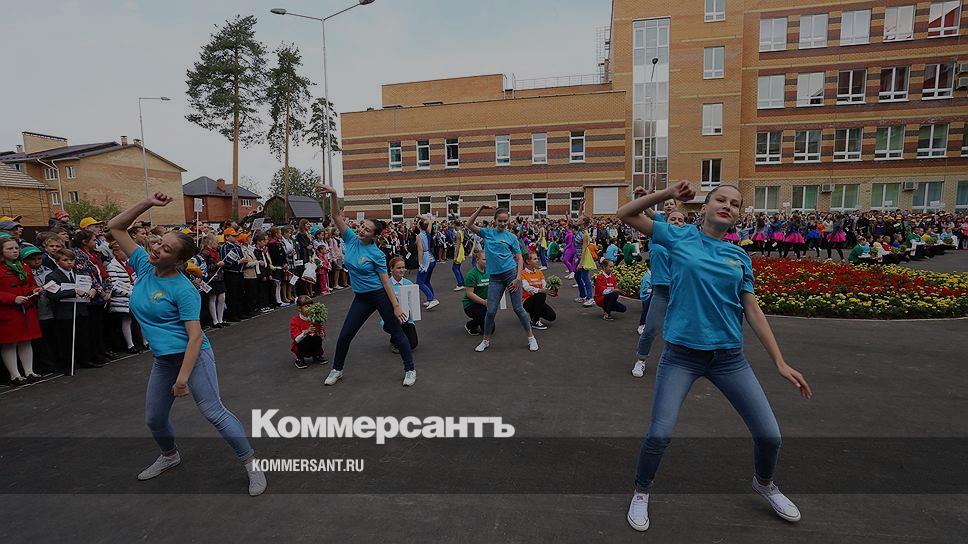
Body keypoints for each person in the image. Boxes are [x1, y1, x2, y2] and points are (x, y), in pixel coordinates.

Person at [617, 182, 812, 531]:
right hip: (681, 357)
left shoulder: (740, 257)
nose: (727, 206)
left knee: (770, 436)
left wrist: (780, 362)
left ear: (737, 215)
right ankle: (641, 491)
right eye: (720, 199)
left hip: (729, 359)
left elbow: (752, 310)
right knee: (659, 434)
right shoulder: (679, 237)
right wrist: (668, 194)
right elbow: (625, 214)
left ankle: (765, 484)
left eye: (734, 204)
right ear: (704, 207)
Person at [107, 192, 266, 496]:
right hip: (163, 359)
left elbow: (195, 337)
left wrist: (182, 380)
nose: (157, 249)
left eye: (166, 249)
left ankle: (251, 464)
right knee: (154, 418)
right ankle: (169, 455)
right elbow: (115, 227)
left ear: (178, 260)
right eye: (158, 243)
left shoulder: (183, 290)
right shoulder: (143, 265)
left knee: (213, 411)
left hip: (192, 356)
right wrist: (148, 203)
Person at [318, 185, 416, 387]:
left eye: (367, 230)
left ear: (374, 235)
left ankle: (410, 370)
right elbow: (335, 216)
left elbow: (385, 281)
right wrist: (334, 194)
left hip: (379, 296)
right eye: (362, 226)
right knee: (345, 334)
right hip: (361, 298)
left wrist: (396, 306)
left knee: (397, 332)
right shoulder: (351, 238)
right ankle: (337, 369)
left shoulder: (377, 254)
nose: (362, 230)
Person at [466, 205, 538, 353]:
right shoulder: (487, 233)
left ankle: (531, 338)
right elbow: (469, 224)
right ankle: (485, 340)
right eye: (500, 221)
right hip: (495, 277)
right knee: (491, 310)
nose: (503, 223)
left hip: (511, 274)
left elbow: (519, 258)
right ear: (495, 220)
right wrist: (481, 208)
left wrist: (518, 278)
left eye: (505, 221)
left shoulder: (511, 237)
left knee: (518, 308)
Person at [0, 238, 43, 385]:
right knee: (10, 343)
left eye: (16, 248)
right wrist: (13, 298)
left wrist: (35, 290)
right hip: (8, 311)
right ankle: (15, 375)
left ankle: (29, 371)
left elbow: (31, 284)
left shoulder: (23, 266)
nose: (14, 251)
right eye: (9, 248)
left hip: (26, 308)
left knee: (26, 341)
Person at [106, 241, 141, 354]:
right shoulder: (112, 266)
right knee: (126, 320)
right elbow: (114, 285)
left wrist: (138, 290)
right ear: (116, 252)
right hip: (122, 299)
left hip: (134, 294)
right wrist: (131, 293)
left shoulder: (129, 264)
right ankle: (130, 345)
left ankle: (144, 342)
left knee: (139, 319)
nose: (127, 253)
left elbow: (136, 278)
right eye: (124, 251)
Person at [386, 256, 419, 354]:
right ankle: (394, 340)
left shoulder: (409, 283)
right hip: (391, 318)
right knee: (400, 343)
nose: (402, 270)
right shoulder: (386, 284)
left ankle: (399, 336)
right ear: (391, 269)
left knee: (413, 344)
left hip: (406, 318)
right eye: (399, 268)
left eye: (403, 267)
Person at [521, 251, 557, 330]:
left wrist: (551, 290)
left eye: (537, 258)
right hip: (527, 302)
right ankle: (535, 321)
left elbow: (544, 285)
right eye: (535, 259)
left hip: (538, 300)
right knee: (541, 295)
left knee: (552, 316)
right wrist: (541, 290)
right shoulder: (522, 274)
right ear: (528, 261)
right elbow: (526, 287)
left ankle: (534, 314)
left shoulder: (539, 272)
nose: (537, 260)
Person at [290, 295, 327, 369]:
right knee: (303, 340)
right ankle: (300, 358)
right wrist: (306, 332)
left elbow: (322, 337)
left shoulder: (315, 318)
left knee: (317, 338)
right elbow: (296, 339)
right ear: (299, 308)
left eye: (311, 306)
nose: (310, 308)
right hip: (302, 345)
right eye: (306, 306)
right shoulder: (295, 321)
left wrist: (320, 332)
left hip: (313, 343)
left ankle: (316, 355)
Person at [462, 250, 489, 336]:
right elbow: (469, 294)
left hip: (483, 303)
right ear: (477, 260)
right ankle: (470, 325)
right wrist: (484, 302)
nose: (487, 261)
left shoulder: (489, 271)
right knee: (483, 316)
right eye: (484, 259)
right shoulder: (471, 275)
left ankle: (481, 319)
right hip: (471, 304)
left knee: (490, 330)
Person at [415, 217, 439, 309]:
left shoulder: (419, 236)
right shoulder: (428, 232)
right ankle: (431, 298)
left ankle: (431, 299)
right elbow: (429, 221)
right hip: (431, 258)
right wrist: (421, 216)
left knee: (420, 282)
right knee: (426, 281)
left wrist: (420, 262)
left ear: (419, 226)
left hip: (425, 259)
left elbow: (420, 250)